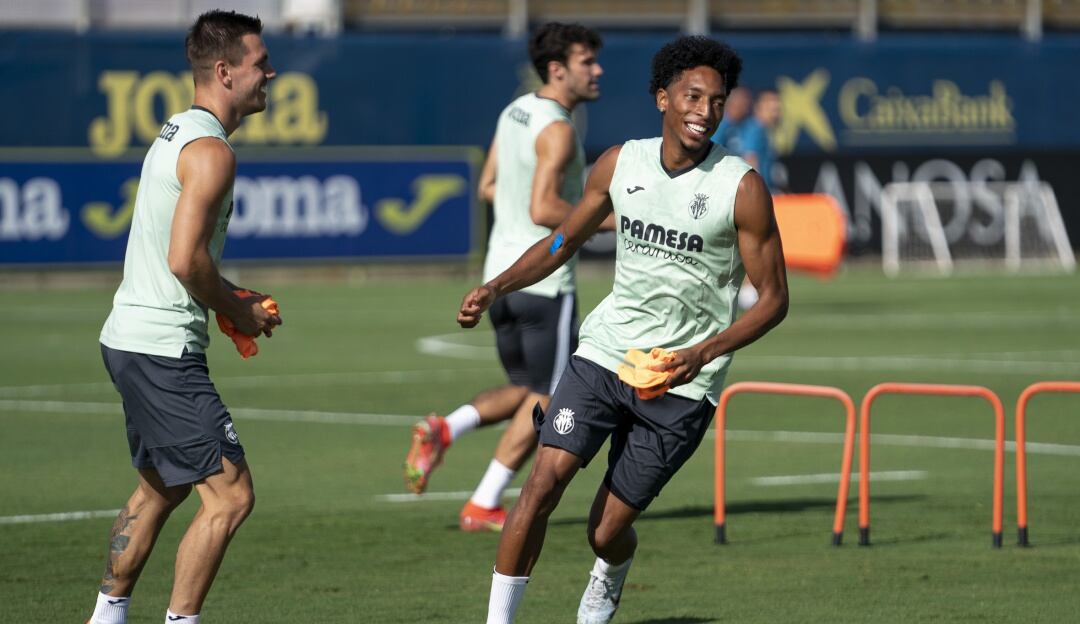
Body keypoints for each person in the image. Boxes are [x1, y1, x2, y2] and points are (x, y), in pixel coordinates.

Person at [458, 36, 789, 623]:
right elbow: (561, 242)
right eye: (692, 96)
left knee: (605, 532)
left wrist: (702, 353)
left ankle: (607, 577)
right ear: (662, 97)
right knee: (540, 487)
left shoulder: (741, 187)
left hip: (682, 385)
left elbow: (774, 300)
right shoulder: (619, 163)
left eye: (717, 101)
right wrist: (496, 287)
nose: (704, 111)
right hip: (605, 355)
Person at [89, 10, 281, 624]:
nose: (270, 72)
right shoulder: (211, 152)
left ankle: (106, 615)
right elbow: (183, 260)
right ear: (224, 71)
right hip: (160, 349)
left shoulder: (177, 130)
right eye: (259, 62)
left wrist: (227, 298)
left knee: (163, 485)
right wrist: (240, 310)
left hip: (130, 338)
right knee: (231, 497)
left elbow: (185, 259)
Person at [403, 22, 603, 533]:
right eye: (587, 62)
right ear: (558, 69)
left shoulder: (514, 111)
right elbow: (543, 208)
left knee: (524, 388)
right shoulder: (558, 129)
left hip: (500, 279)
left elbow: (489, 185)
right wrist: (609, 216)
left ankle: (446, 428)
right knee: (548, 396)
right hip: (543, 281)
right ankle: (484, 502)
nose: (598, 70)